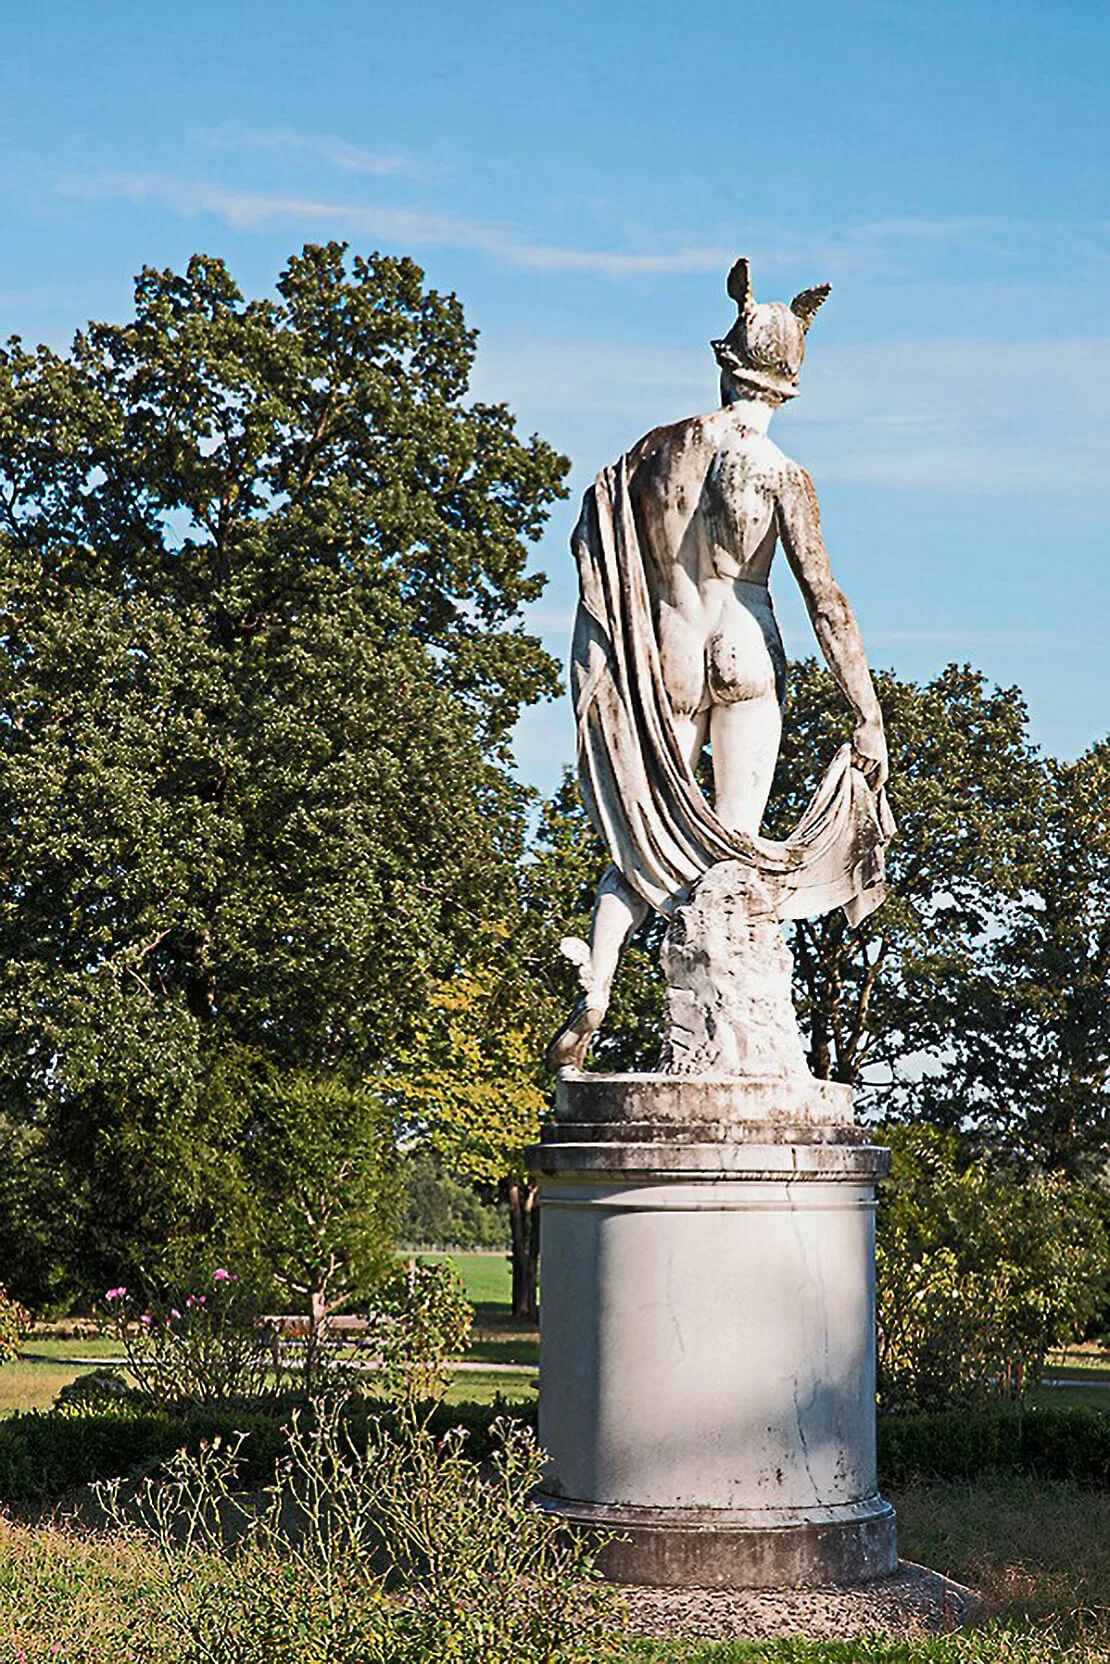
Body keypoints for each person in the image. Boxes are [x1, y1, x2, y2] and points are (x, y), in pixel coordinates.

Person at [547, 257, 893, 1071]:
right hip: (744, 644)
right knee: (733, 852)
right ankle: (733, 1047)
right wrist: (866, 711)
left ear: (724, 363)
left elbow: (597, 549)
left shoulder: (652, 455)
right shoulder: (780, 473)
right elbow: (825, 601)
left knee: (643, 834)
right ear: (789, 381)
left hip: (667, 649)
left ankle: (598, 980)